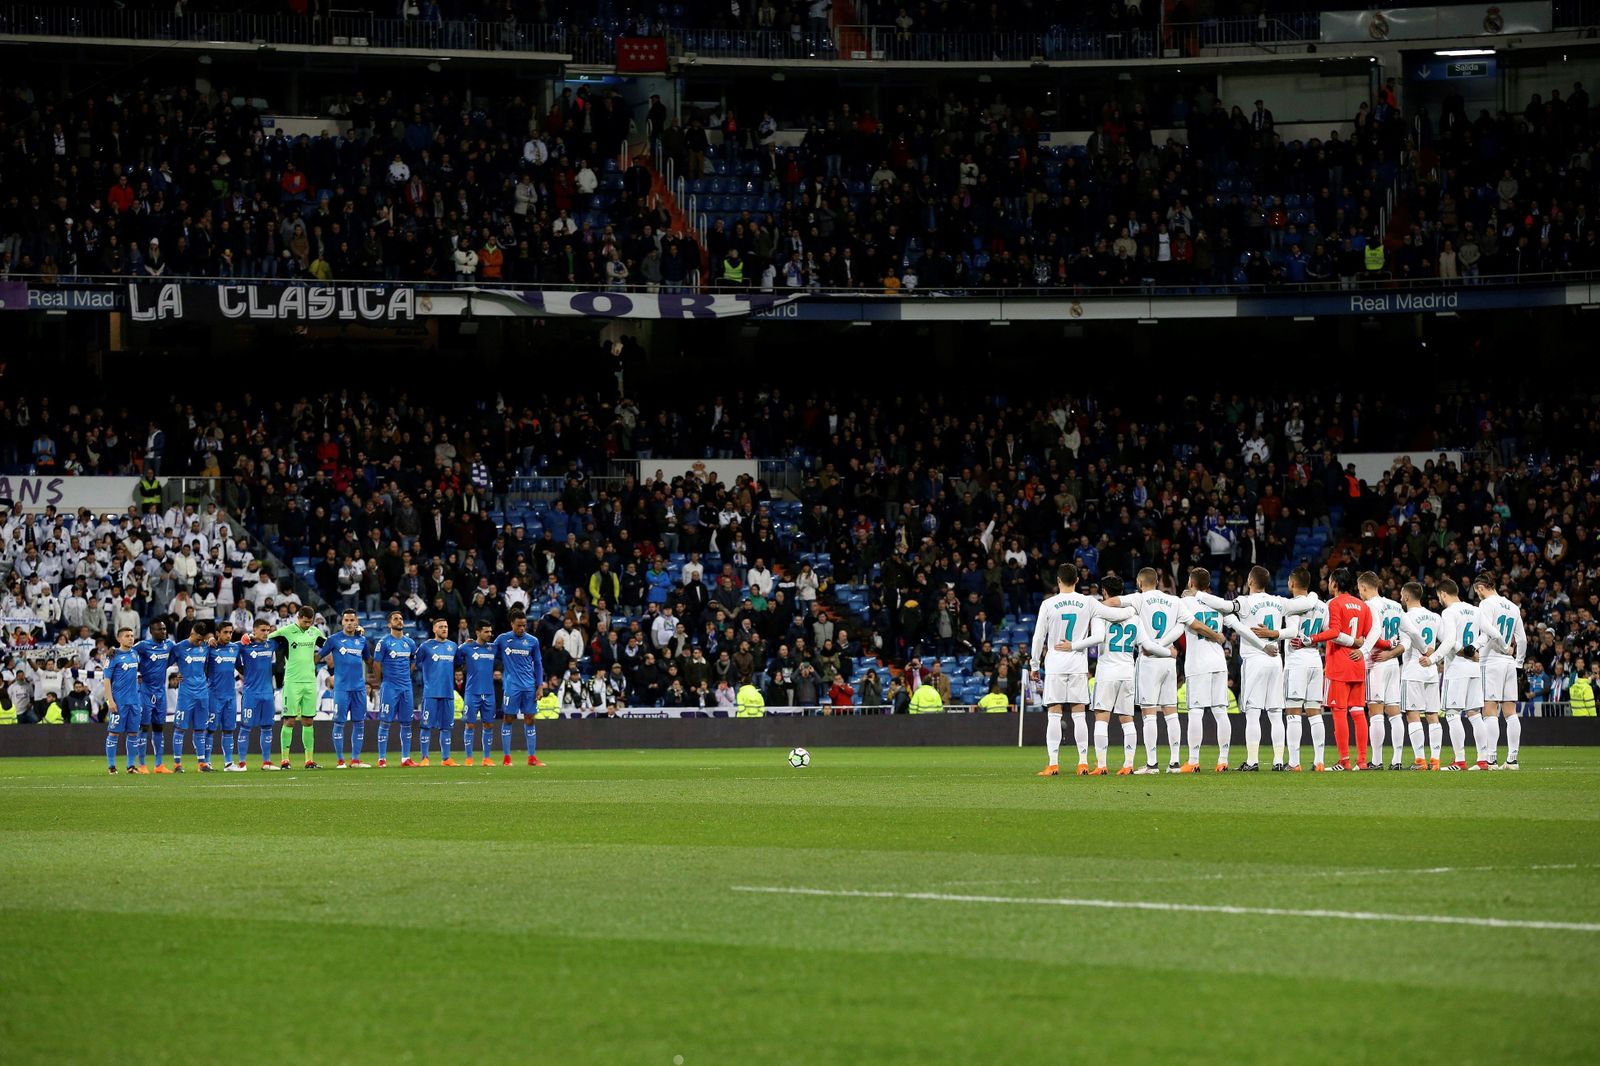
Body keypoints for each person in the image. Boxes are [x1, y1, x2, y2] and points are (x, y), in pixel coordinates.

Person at [1193, 565, 1313, 771]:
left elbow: (1222, 604)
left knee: (1253, 713)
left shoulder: (1244, 602)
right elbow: (1307, 602)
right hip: (1275, 659)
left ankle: (1252, 761)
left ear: (1250, 582)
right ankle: (1277, 761)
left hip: (1255, 659)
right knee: (1276, 713)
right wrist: (1314, 594)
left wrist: (1197, 595)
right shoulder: (1278, 601)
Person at [1029, 563, 1122, 776]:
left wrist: (1035, 665)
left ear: (1058, 581)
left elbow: (1038, 637)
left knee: (1054, 713)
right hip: (1078, 665)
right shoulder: (1088, 601)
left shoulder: (1049, 604)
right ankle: (1082, 763)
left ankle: (1053, 764)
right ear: (1078, 580)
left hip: (1054, 665)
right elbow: (1114, 615)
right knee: (1079, 715)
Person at [1105, 567, 1185, 772]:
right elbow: (1183, 624)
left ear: (1140, 583)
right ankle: (1175, 763)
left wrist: (1094, 607)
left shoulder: (1139, 599)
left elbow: (1114, 602)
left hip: (1149, 660)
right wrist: (1164, 643)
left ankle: (1152, 764)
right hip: (1169, 661)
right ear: (1157, 581)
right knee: (1171, 712)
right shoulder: (1175, 600)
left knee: (1149, 713)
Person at [1302, 567, 1381, 771]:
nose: (1328, 585)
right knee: (1357, 712)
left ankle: (1344, 760)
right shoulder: (1362, 606)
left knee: (1339, 711)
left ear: (1335, 584)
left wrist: (1312, 639)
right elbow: (1367, 636)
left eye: (1329, 581)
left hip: (1339, 663)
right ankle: (1362, 761)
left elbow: (1334, 632)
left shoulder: (1333, 604)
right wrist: (1366, 648)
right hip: (1358, 663)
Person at [1077, 575, 1138, 773]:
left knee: (1102, 718)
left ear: (1104, 592)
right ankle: (1128, 764)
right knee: (1127, 719)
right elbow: (1145, 643)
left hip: (1107, 672)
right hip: (1128, 671)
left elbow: (1097, 638)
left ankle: (1101, 765)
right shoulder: (1134, 615)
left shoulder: (1099, 614)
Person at [1175, 568, 1232, 772]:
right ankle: (1223, 760)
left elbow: (1188, 626)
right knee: (1220, 711)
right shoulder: (1217, 603)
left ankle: (1193, 761)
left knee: (1196, 712)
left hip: (1198, 664)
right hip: (1218, 662)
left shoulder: (1184, 603)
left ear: (1191, 583)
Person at [1473, 573, 1527, 770]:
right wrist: (1518, 662)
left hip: (1491, 661)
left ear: (1481, 587)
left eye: (1477, 590)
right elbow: (1522, 640)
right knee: (1510, 712)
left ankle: (1491, 759)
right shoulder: (1513, 607)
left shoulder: (1486, 604)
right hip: (1509, 663)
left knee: (1489, 709)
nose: (1477, 594)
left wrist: (1502, 646)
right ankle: (1512, 760)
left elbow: (1487, 630)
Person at [1356, 572, 1407, 770]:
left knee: (1375, 711)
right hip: (1393, 664)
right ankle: (1397, 760)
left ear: (1364, 587)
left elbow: (1372, 634)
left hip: (1376, 662)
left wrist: (1363, 651)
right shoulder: (1395, 605)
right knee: (1394, 712)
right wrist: (1393, 653)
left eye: (1359, 589)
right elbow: (1409, 634)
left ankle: (1376, 761)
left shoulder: (1369, 606)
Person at [1435, 578, 1484, 770]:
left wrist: (1434, 659)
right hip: (1474, 668)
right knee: (1475, 714)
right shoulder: (1475, 609)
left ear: (1443, 594)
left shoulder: (1448, 612)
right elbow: (1488, 633)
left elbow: (1449, 641)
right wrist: (1474, 650)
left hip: (1456, 668)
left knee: (1453, 714)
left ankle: (1460, 760)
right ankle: (1482, 759)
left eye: (1439, 596)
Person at [271, 606, 326, 769]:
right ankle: (285, 760)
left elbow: (328, 645)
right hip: (292, 683)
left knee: (308, 720)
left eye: (310, 622)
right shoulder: (286, 631)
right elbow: (267, 639)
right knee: (289, 721)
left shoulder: (314, 632)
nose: (308, 624)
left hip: (310, 682)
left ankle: (309, 760)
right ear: (298, 617)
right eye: (305, 621)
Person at [1398, 582, 1444, 770]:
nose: (1401, 598)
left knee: (1413, 715)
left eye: (1402, 595)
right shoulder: (1435, 616)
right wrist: (1433, 656)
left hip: (1413, 669)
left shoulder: (1405, 617)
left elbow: (1407, 644)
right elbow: (1447, 639)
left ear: (1407, 597)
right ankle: (1435, 760)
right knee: (1433, 715)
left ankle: (1420, 761)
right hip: (1431, 671)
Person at [493, 608, 546, 767]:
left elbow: (538, 664)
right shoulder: (503, 639)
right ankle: (507, 758)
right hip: (511, 687)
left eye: (524, 625)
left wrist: (540, 686)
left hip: (529, 686)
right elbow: (490, 652)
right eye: (519, 625)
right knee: (508, 718)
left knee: (530, 719)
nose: (522, 628)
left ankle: (532, 758)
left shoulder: (532, 641)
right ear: (512, 624)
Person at [322, 610, 372, 768]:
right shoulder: (333, 640)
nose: (349, 623)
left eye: (352, 620)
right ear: (342, 622)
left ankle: (355, 760)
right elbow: (319, 656)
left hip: (359, 688)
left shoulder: (362, 640)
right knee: (339, 723)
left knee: (359, 723)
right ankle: (340, 760)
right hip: (342, 689)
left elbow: (369, 660)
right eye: (347, 620)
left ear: (356, 622)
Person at [373, 610, 418, 767]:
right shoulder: (384, 642)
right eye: (396, 619)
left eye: (401, 618)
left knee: (407, 722)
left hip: (406, 686)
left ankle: (405, 758)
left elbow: (413, 661)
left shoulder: (410, 643)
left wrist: (405, 675)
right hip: (390, 686)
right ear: (389, 624)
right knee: (385, 722)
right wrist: (380, 682)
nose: (399, 621)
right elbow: (376, 663)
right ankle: (382, 758)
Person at [237, 618, 281, 770]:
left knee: (267, 727)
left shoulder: (271, 644)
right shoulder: (244, 646)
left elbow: (285, 636)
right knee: (245, 727)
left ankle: (266, 762)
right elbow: (229, 648)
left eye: (267, 630)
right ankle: (242, 763)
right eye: (262, 630)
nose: (266, 633)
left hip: (268, 693)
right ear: (254, 630)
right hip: (251, 693)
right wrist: (243, 638)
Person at [414, 617, 459, 765]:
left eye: (446, 626)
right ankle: (425, 758)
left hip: (447, 692)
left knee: (446, 727)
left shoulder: (452, 646)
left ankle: (446, 758)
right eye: (441, 627)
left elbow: (458, 663)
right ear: (434, 629)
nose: (444, 629)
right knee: (426, 725)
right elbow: (415, 663)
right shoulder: (426, 646)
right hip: (431, 692)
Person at [133, 619, 176, 772]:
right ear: (151, 632)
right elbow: (128, 652)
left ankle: (159, 765)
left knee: (158, 727)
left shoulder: (169, 645)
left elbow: (178, 655)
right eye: (159, 629)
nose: (163, 632)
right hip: (145, 691)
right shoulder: (143, 645)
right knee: (144, 727)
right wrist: (137, 672)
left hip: (160, 693)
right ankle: (142, 764)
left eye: (164, 629)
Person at [172, 620, 213, 773]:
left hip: (203, 693)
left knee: (200, 729)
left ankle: (202, 763)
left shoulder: (205, 647)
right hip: (186, 694)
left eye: (202, 639)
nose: (199, 642)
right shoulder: (179, 648)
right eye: (198, 639)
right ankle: (177, 764)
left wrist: (209, 640)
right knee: (180, 728)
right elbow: (167, 664)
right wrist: (176, 674)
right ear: (192, 633)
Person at [455, 620, 498, 766]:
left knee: (489, 725)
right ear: (478, 632)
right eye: (486, 631)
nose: (489, 634)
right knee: (470, 724)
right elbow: (455, 655)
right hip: (472, 692)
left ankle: (486, 758)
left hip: (489, 693)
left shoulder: (493, 648)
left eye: (490, 631)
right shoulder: (467, 647)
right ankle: (469, 758)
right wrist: (463, 644)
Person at [104, 627, 144, 774]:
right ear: (119, 639)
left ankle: (130, 766)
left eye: (132, 636)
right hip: (119, 702)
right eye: (127, 636)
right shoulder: (113, 656)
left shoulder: (135, 653)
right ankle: (111, 766)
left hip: (134, 702)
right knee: (114, 733)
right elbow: (106, 680)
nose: (131, 638)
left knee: (133, 734)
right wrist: (110, 701)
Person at [207, 620, 244, 772]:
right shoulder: (209, 648)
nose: (229, 635)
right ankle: (206, 763)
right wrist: (207, 640)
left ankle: (228, 763)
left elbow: (240, 667)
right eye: (225, 632)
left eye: (231, 632)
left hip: (230, 696)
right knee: (209, 729)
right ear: (218, 633)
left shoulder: (234, 648)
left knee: (229, 729)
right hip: (213, 695)